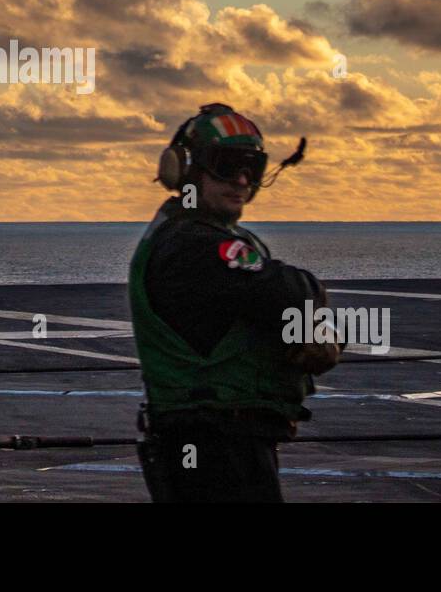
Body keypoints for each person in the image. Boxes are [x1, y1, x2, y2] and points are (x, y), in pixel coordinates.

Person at [130, 103, 340, 503]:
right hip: (218, 447)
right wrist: (311, 315)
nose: (242, 180)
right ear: (188, 169)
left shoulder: (193, 235)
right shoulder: (196, 245)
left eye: (253, 168)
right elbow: (290, 294)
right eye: (227, 165)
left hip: (224, 442)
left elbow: (273, 304)